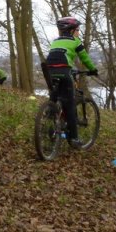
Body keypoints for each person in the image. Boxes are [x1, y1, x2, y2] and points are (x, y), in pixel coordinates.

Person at [45, 16, 99, 149]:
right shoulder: (76, 42)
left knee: (55, 97)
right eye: (77, 30)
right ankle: (74, 138)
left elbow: (57, 58)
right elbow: (84, 58)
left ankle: (49, 119)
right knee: (69, 105)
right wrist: (93, 69)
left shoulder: (55, 42)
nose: (78, 32)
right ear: (71, 31)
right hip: (64, 72)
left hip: (49, 72)